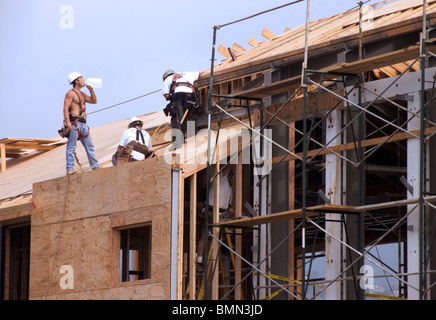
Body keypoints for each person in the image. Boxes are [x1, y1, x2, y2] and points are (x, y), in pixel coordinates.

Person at [197, 166, 235, 271]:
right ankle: (199, 262)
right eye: (232, 174)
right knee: (204, 237)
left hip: (221, 214)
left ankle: (224, 246)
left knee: (233, 222)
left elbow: (229, 204)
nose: (232, 177)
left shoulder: (229, 189)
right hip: (211, 211)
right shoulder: (220, 179)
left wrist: (230, 208)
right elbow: (227, 166)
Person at [63, 72, 100, 175]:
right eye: (81, 79)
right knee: (71, 146)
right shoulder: (70, 93)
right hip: (75, 123)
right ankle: (70, 169)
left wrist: (91, 89)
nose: (84, 80)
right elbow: (65, 108)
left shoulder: (82, 94)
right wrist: (68, 123)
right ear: (77, 81)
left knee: (90, 146)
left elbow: (94, 101)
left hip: (83, 124)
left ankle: (95, 166)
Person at [162, 70, 202, 150]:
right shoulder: (186, 73)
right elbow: (199, 74)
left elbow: (166, 95)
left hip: (179, 95)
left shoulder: (167, 80)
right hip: (190, 95)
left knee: (177, 117)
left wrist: (171, 97)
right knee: (186, 116)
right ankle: (189, 135)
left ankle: (177, 142)